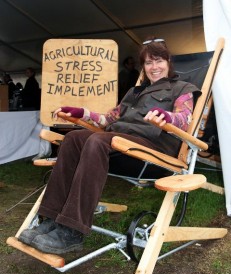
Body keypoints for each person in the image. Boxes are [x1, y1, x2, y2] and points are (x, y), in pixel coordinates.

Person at [18, 37, 201, 255]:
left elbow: (186, 118)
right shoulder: (134, 93)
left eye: (159, 61)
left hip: (154, 150)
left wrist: (167, 116)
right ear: (143, 66)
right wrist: (81, 112)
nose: (154, 67)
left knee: (96, 140)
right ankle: (52, 218)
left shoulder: (181, 88)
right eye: (148, 63)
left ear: (169, 62)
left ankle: (72, 231)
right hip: (120, 144)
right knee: (74, 138)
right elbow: (108, 119)